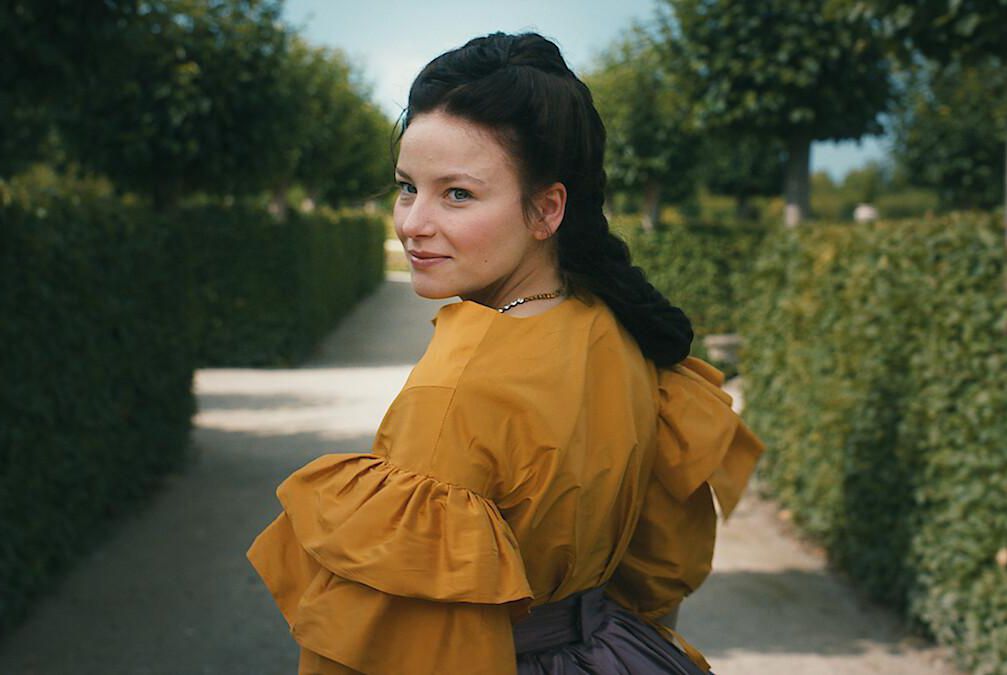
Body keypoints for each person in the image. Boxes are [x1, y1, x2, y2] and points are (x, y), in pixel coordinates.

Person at [246, 31, 766, 675]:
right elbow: (659, 578)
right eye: (408, 187)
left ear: (547, 209)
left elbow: (383, 649)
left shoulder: (458, 388)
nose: (412, 221)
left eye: (457, 193)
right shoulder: (619, 330)